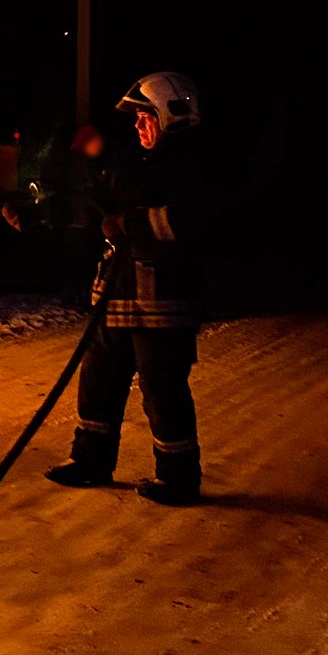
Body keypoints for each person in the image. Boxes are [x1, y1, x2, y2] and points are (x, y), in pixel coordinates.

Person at [47, 72, 210, 505]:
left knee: (162, 391)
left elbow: (188, 222)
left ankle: (178, 478)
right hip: (117, 300)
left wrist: (130, 224)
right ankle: (91, 461)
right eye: (137, 118)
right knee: (97, 381)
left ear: (173, 115)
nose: (138, 125)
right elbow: (94, 207)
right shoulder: (133, 165)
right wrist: (43, 213)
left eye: (146, 116)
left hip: (164, 306)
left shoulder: (190, 169)